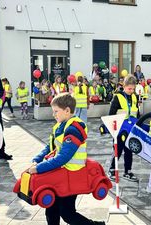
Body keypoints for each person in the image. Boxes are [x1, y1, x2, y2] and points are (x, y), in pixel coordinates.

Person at [26, 93, 105, 225]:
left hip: (72, 175)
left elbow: (63, 158)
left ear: (67, 111)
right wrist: (37, 159)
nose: (53, 115)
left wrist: (38, 168)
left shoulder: (74, 129)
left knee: (67, 213)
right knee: (51, 209)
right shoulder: (61, 125)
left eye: (56, 111)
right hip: (60, 173)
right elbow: (51, 146)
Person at [107, 75, 139, 182]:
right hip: (119, 129)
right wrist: (113, 130)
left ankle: (128, 171)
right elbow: (111, 114)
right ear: (124, 86)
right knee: (118, 150)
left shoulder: (135, 97)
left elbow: (136, 113)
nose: (131, 91)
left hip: (130, 129)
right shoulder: (118, 97)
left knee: (129, 150)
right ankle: (112, 169)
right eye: (129, 88)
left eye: (133, 89)